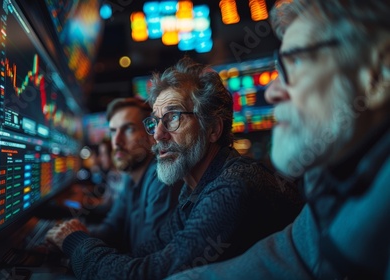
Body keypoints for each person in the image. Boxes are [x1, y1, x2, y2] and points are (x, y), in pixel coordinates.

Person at [167, 1, 390, 279]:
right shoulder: (334, 182)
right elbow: (285, 257)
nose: (271, 92)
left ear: (377, 75)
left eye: (294, 61)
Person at [45, 57, 304, 279]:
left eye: (173, 117)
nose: (157, 135)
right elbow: (144, 253)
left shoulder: (233, 187)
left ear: (213, 129)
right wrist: (66, 250)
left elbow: (151, 275)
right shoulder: (192, 190)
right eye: (156, 122)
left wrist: (75, 242)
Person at [52, 98, 181, 254]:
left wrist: (74, 241)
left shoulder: (162, 178)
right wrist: (66, 237)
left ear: (151, 135)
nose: (117, 141)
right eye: (113, 131)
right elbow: (111, 230)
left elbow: (146, 256)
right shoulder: (129, 177)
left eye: (128, 129)